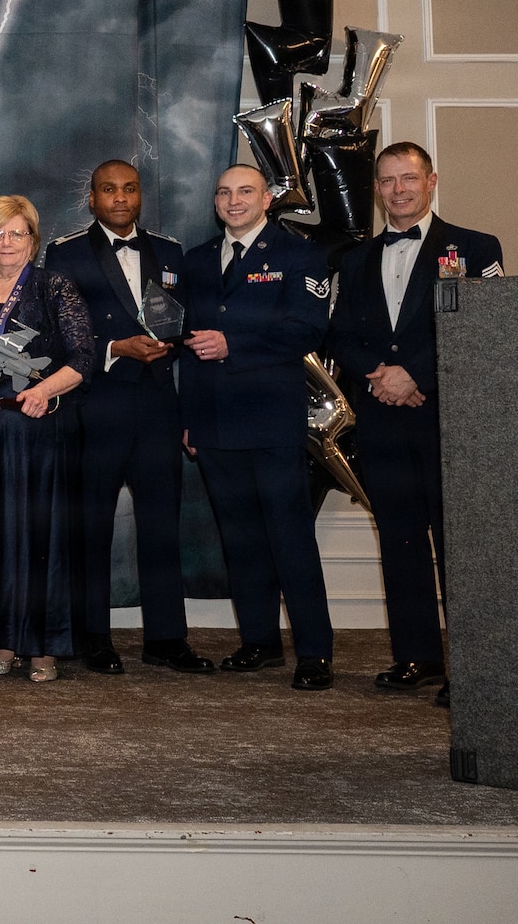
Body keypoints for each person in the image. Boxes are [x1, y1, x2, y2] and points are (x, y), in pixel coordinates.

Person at [326, 141, 502, 707]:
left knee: (459, 547)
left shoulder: (476, 247)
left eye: (408, 179)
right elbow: (339, 336)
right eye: (386, 181)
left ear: (432, 182)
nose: (397, 190)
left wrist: (413, 374)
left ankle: (470, 670)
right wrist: (379, 375)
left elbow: (486, 327)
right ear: (376, 190)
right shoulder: (353, 260)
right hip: (382, 420)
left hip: (448, 418)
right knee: (399, 541)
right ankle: (417, 656)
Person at [41, 160, 214, 676]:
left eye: (130, 189)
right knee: (91, 527)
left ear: (140, 196)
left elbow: (187, 327)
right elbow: (54, 338)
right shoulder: (65, 253)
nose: (120, 198)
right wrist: (116, 347)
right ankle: (94, 637)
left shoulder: (171, 251)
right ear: (91, 199)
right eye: (109, 190)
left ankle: (166, 638)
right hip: (96, 407)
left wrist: (170, 345)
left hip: (158, 408)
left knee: (162, 527)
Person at [179, 164, 334, 691]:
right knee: (240, 539)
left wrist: (235, 345)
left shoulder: (300, 255)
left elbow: (306, 330)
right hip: (214, 423)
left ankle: (314, 653)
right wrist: (190, 420)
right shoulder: (196, 261)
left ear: (267, 199)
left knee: (291, 539)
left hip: (270, 422)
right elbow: (186, 348)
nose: (233, 200)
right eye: (224, 192)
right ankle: (260, 642)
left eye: (245, 191)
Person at [0, 194, 93, 683]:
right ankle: (5, 641)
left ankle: (45, 647)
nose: (6, 242)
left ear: (33, 239)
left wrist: (42, 392)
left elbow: (83, 357)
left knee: (41, 536)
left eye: (17, 233)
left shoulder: (55, 287)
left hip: (40, 433)